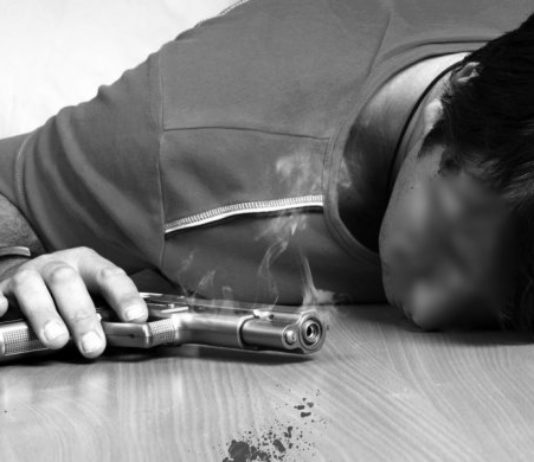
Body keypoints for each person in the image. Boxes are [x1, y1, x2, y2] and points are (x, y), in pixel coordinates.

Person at [0, 0, 532, 358]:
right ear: (454, 95)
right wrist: (12, 269)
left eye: (493, 313)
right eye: (448, 247)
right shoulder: (181, 133)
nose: (434, 312)